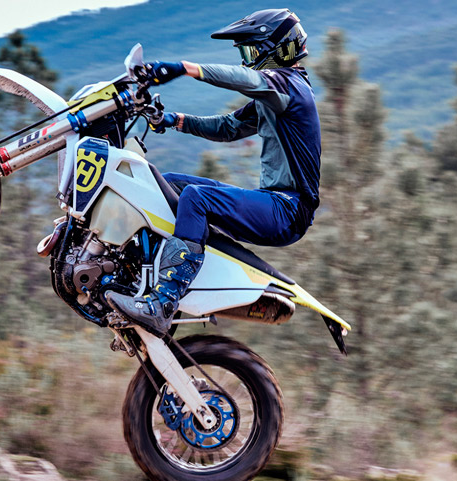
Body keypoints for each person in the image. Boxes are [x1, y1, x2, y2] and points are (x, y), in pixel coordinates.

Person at [106, 8, 321, 337]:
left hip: (287, 211)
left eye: (252, 51)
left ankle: (163, 303)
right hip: (275, 203)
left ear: (276, 49)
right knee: (170, 184)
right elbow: (228, 128)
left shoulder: (289, 87)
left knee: (196, 198)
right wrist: (174, 120)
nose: (248, 61)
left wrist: (184, 68)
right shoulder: (277, 98)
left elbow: (246, 80)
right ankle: (142, 275)